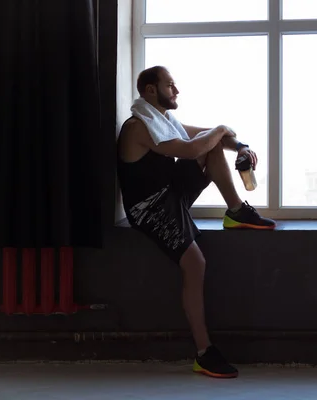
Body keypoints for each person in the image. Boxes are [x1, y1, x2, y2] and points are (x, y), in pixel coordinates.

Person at [116, 66, 276, 378]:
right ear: (150, 90)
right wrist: (219, 129)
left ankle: (236, 211)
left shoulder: (163, 120)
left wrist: (240, 146)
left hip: (170, 193)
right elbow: (190, 149)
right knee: (195, 263)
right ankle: (204, 353)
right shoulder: (138, 127)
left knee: (212, 142)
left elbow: (205, 139)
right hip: (149, 208)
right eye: (170, 85)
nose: (176, 91)